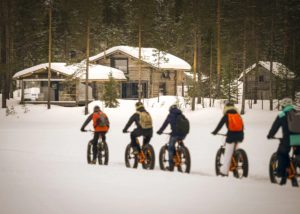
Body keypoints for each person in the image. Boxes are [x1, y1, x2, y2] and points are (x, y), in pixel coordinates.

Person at [267, 97, 300, 186]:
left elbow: (275, 126)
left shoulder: (282, 114)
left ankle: (280, 173)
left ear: (283, 106)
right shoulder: (298, 113)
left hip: (288, 139)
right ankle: (293, 171)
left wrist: (270, 135)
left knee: (282, 154)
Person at [211, 101, 244, 176]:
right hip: (240, 135)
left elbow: (220, 125)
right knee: (235, 150)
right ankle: (238, 158)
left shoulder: (227, 115)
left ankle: (224, 172)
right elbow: (241, 126)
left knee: (227, 155)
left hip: (231, 136)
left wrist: (215, 132)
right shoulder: (238, 115)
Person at [157, 104, 189, 171]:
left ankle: (171, 166)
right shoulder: (181, 115)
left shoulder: (170, 115)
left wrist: (160, 131)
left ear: (170, 109)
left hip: (175, 134)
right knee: (179, 141)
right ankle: (183, 152)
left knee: (170, 148)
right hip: (183, 134)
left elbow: (165, 124)